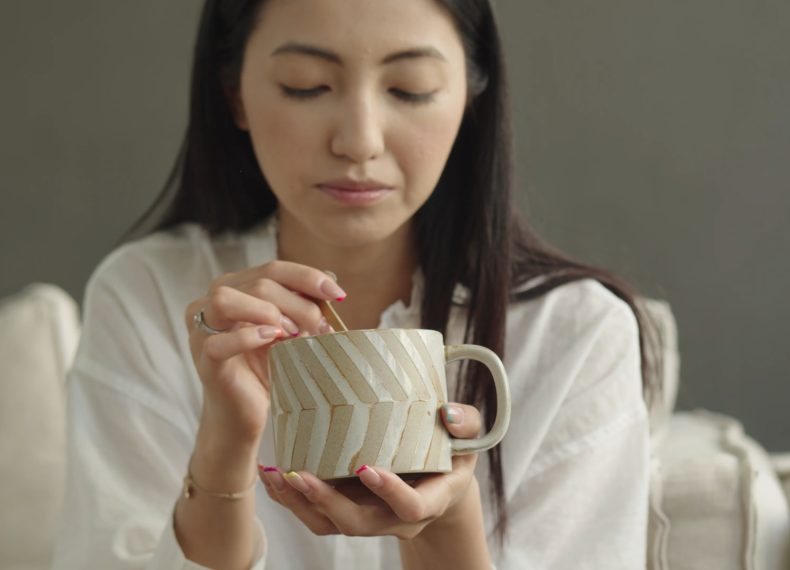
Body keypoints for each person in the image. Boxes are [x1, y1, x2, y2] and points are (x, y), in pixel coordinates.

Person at [53, 0, 659, 568]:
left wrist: (448, 524)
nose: (359, 141)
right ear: (234, 92)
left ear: (472, 97)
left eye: (410, 89)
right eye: (306, 86)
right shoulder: (150, 298)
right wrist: (223, 451)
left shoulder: (577, 333)